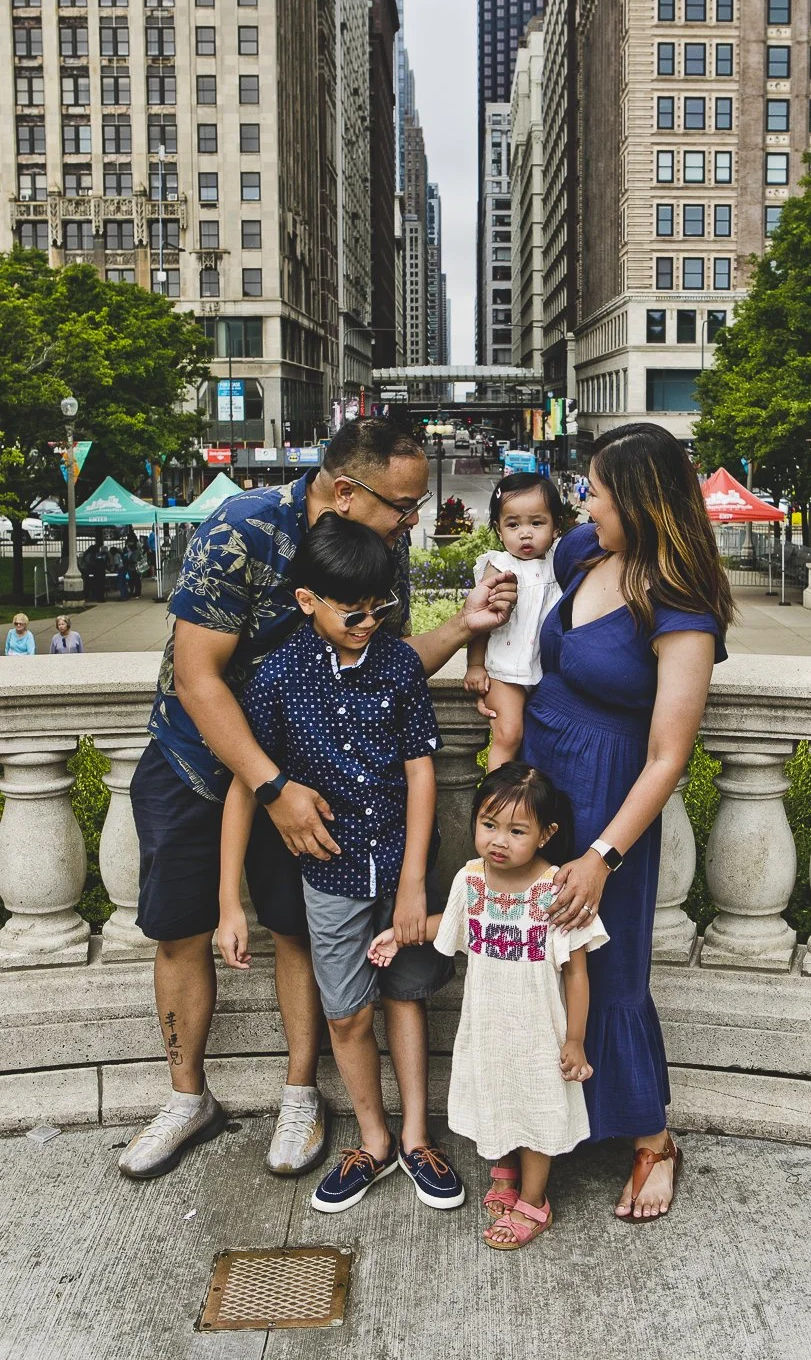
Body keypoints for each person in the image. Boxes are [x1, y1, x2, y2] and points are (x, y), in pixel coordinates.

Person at [120, 419, 517, 1183]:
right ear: (345, 492)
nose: (412, 521)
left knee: (297, 928)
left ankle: (301, 1093)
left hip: (314, 780)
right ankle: (185, 1098)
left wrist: (466, 624)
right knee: (178, 928)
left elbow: (382, 665)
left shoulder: (380, 549)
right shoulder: (243, 528)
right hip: (199, 761)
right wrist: (271, 789)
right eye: (404, 505)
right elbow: (200, 679)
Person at [218, 516, 465, 1213]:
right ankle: (374, 1139)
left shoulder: (397, 664)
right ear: (307, 602)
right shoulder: (278, 678)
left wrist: (414, 880)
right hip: (327, 877)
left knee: (407, 996)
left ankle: (418, 1137)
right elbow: (245, 786)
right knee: (347, 1012)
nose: (368, 622)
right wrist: (229, 904)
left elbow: (422, 772)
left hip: (399, 870)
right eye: (352, 611)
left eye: (380, 607)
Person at [518, 423, 731, 1222]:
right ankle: (554, 1121)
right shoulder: (582, 554)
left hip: (612, 798)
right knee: (538, 956)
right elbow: (520, 593)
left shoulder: (681, 600)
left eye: (597, 490)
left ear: (638, 499)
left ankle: (651, 1140)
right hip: (541, 786)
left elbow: (669, 755)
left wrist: (604, 855)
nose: (584, 502)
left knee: (610, 970)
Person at [369, 763, 607, 1248]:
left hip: (540, 1030)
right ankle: (505, 1167)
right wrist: (399, 935)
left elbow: (577, 972)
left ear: (546, 834)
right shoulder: (471, 879)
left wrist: (575, 1040)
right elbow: (447, 923)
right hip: (487, 1024)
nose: (498, 840)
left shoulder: (556, 892)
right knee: (496, 1095)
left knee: (536, 1107)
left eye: (517, 831)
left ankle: (534, 1200)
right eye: (488, 824)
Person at [464, 475, 563, 770]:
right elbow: (479, 621)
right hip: (505, 670)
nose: (525, 534)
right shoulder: (500, 566)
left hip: (545, 670)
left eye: (537, 523)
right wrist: (475, 665)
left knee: (540, 741)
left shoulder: (558, 561)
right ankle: (496, 794)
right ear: (498, 529)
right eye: (513, 524)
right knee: (509, 734)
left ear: (556, 526)